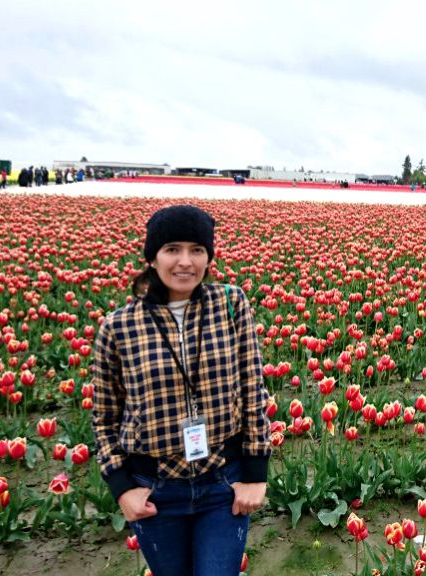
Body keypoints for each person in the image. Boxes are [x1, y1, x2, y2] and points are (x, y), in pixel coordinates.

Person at [92, 205, 271, 576]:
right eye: (172, 249)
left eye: (197, 250)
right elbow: (105, 417)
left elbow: (254, 390)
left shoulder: (231, 304)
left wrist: (255, 474)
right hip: (154, 488)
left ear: (209, 256)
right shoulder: (118, 327)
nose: (185, 261)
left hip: (223, 480)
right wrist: (122, 487)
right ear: (152, 257)